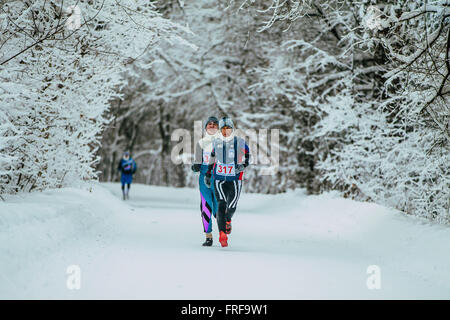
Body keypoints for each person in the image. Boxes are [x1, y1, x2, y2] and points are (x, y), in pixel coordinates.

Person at [205, 117, 250, 247]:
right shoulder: (216, 142)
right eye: (223, 129)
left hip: (235, 179)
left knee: (231, 206)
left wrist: (243, 165)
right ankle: (222, 234)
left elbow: (248, 156)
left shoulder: (240, 142)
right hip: (219, 178)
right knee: (221, 204)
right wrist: (208, 173)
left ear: (232, 129)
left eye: (228, 129)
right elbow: (212, 158)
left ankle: (228, 219)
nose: (225, 131)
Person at [192, 116, 219, 246]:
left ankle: (223, 232)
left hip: (219, 175)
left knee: (219, 205)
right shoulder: (200, 143)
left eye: (215, 124)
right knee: (205, 204)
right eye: (209, 124)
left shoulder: (223, 142)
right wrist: (196, 165)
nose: (212, 126)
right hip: (204, 177)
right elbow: (197, 161)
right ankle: (208, 236)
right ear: (206, 127)